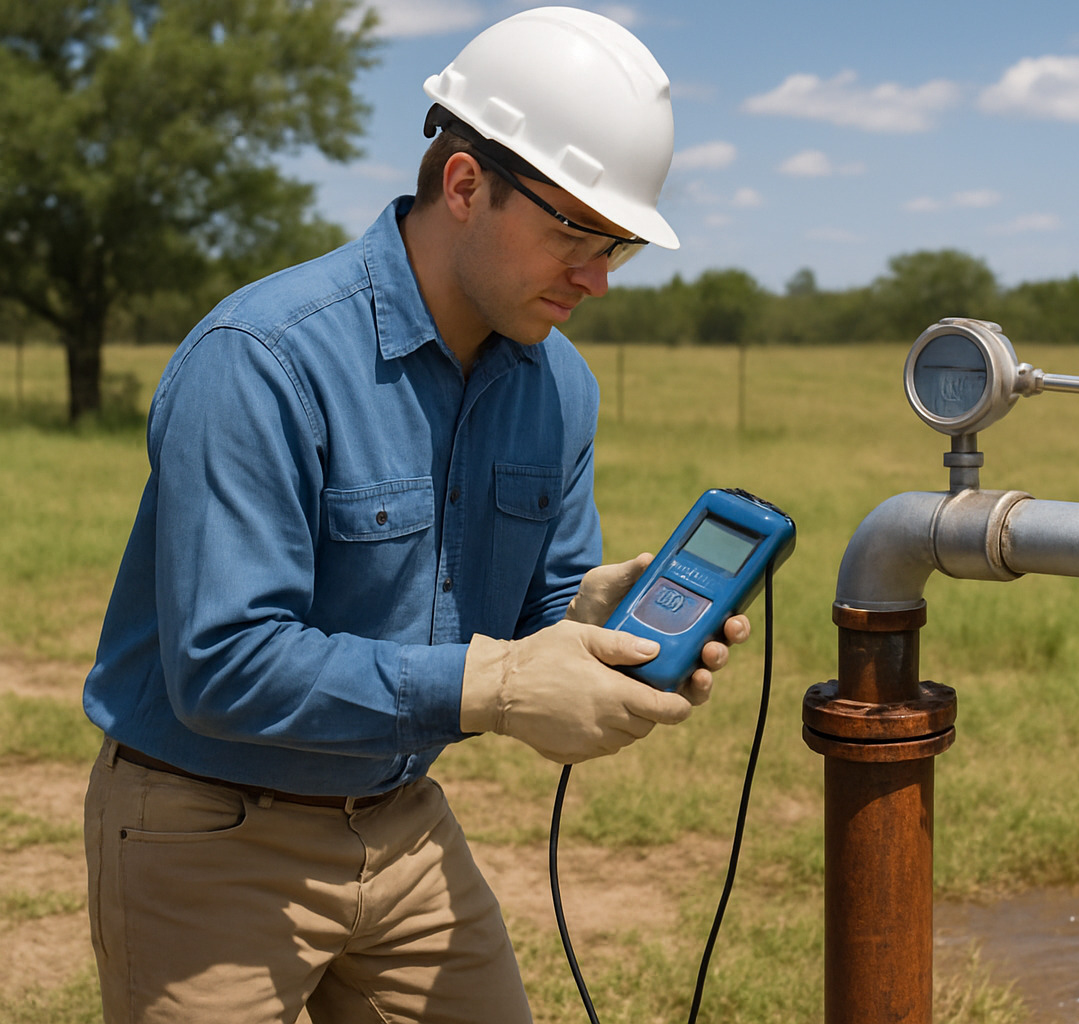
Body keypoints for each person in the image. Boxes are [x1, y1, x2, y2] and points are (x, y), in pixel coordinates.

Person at [79, 9, 746, 1023]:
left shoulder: (559, 386)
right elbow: (224, 664)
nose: (598, 278)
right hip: (207, 827)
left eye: (617, 245)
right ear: (465, 184)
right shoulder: (262, 358)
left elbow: (534, 621)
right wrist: (499, 683)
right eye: (575, 231)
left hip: (402, 824)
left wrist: (592, 625)